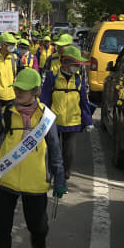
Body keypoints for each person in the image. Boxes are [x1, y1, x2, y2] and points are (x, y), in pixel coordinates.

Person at [0, 69, 66, 248]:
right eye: (17, 88)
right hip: (7, 179)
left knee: (37, 226)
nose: (19, 92)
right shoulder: (7, 113)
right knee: (1, 226)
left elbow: (56, 151)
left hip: (35, 182)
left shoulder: (46, 118)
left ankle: (38, 245)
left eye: (24, 89)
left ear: (36, 91)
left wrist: (59, 179)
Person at [40, 46, 93, 179]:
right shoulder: (52, 77)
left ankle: (65, 175)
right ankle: (53, 173)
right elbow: (44, 100)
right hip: (54, 121)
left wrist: (88, 121)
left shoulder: (78, 79)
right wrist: (41, 119)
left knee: (69, 152)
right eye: (75, 64)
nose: (77, 67)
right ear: (66, 63)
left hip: (73, 121)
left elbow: (84, 102)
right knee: (54, 149)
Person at [0, 32, 23, 107]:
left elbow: (22, 71)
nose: (14, 46)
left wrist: (18, 77)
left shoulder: (15, 58)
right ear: (3, 45)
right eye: (11, 44)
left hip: (12, 96)